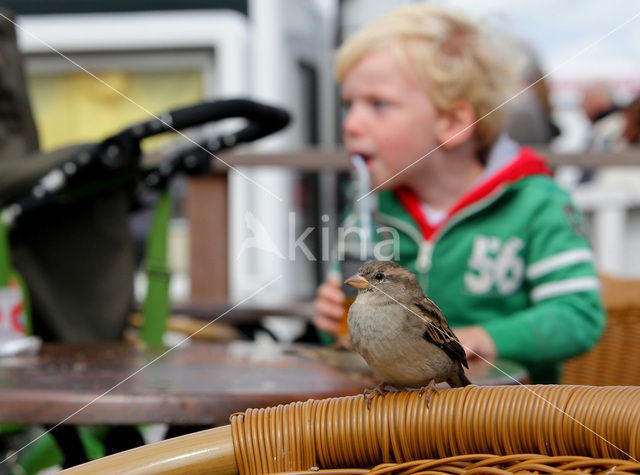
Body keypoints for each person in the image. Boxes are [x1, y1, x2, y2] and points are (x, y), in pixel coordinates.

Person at [313, 4, 605, 384]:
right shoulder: (371, 213)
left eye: (378, 104)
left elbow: (578, 316)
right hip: (400, 424)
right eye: (348, 105)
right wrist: (331, 314)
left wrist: (488, 338)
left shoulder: (536, 203)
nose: (350, 124)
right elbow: (356, 319)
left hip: (511, 419)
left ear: (451, 123)